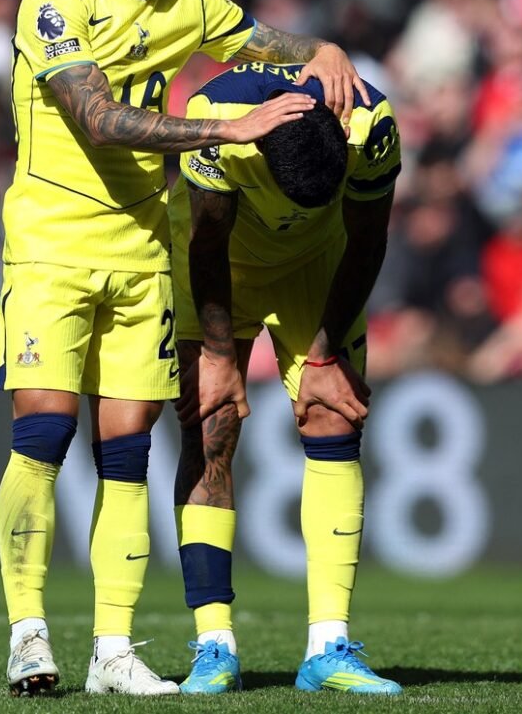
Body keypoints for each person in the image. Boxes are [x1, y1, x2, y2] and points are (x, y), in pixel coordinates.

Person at [0, 0, 367, 697]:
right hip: (50, 243)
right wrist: (224, 129)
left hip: (142, 249)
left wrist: (325, 48)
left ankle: (112, 648)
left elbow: (260, 39)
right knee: (44, 432)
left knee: (127, 450)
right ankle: (28, 633)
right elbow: (98, 117)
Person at [169, 61, 403, 695]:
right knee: (211, 426)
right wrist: (219, 357)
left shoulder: (372, 125)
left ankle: (329, 647)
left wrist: (324, 356)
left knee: (334, 416)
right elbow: (206, 243)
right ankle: (214, 646)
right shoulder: (216, 122)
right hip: (223, 263)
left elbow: (368, 241)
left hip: (316, 263)